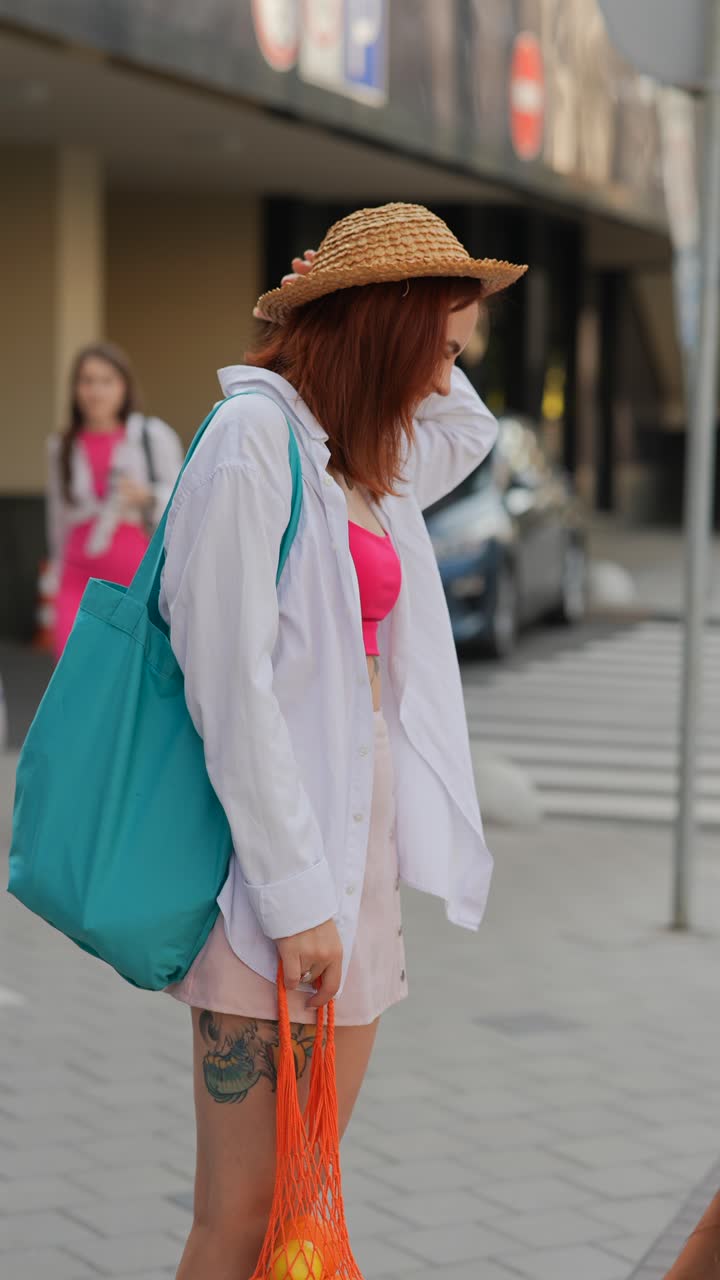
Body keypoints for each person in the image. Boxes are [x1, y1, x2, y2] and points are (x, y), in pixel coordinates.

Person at [160, 203, 527, 1279]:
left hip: (353, 858)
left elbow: (472, 433)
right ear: (384, 329)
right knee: (243, 1214)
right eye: (438, 345)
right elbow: (229, 689)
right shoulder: (252, 444)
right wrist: (297, 898)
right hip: (275, 878)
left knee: (304, 1208)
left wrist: (418, 305)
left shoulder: (363, 460)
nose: (443, 374)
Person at [47, 341, 184, 660]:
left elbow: (181, 499)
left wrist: (146, 495)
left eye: (107, 381)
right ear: (75, 388)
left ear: (124, 386)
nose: (96, 391)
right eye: (87, 381)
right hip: (75, 576)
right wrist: (53, 577)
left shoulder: (151, 436)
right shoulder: (60, 446)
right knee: (73, 671)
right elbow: (57, 518)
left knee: (122, 676)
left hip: (135, 577)